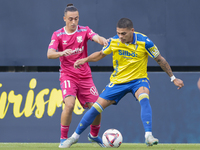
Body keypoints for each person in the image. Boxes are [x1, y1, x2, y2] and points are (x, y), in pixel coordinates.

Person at [63, 17, 185, 148]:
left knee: (144, 98)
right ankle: (74, 137)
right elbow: (100, 54)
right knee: (96, 108)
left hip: (138, 81)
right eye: (118, 33)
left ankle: (148, 135)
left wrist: (173, 78)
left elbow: (160, 59)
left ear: (132, 30)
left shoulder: (145, 42)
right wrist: (85, 59)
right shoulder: (114, 41)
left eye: (123, 33)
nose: (120, 36)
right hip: (118, 82)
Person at [47, 3, 108, 148]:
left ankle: (93, 135)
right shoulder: (58, 35)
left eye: (76, 19)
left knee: (97, 107)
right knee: (69, 105)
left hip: (85, 76)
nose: (74, 22)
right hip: (68, 75)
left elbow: (96, 37)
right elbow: (49, 54)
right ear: (64, 19)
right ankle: (63, 139)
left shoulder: (84, 30)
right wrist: (61, 53)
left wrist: (102, 40)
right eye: (70, 19)